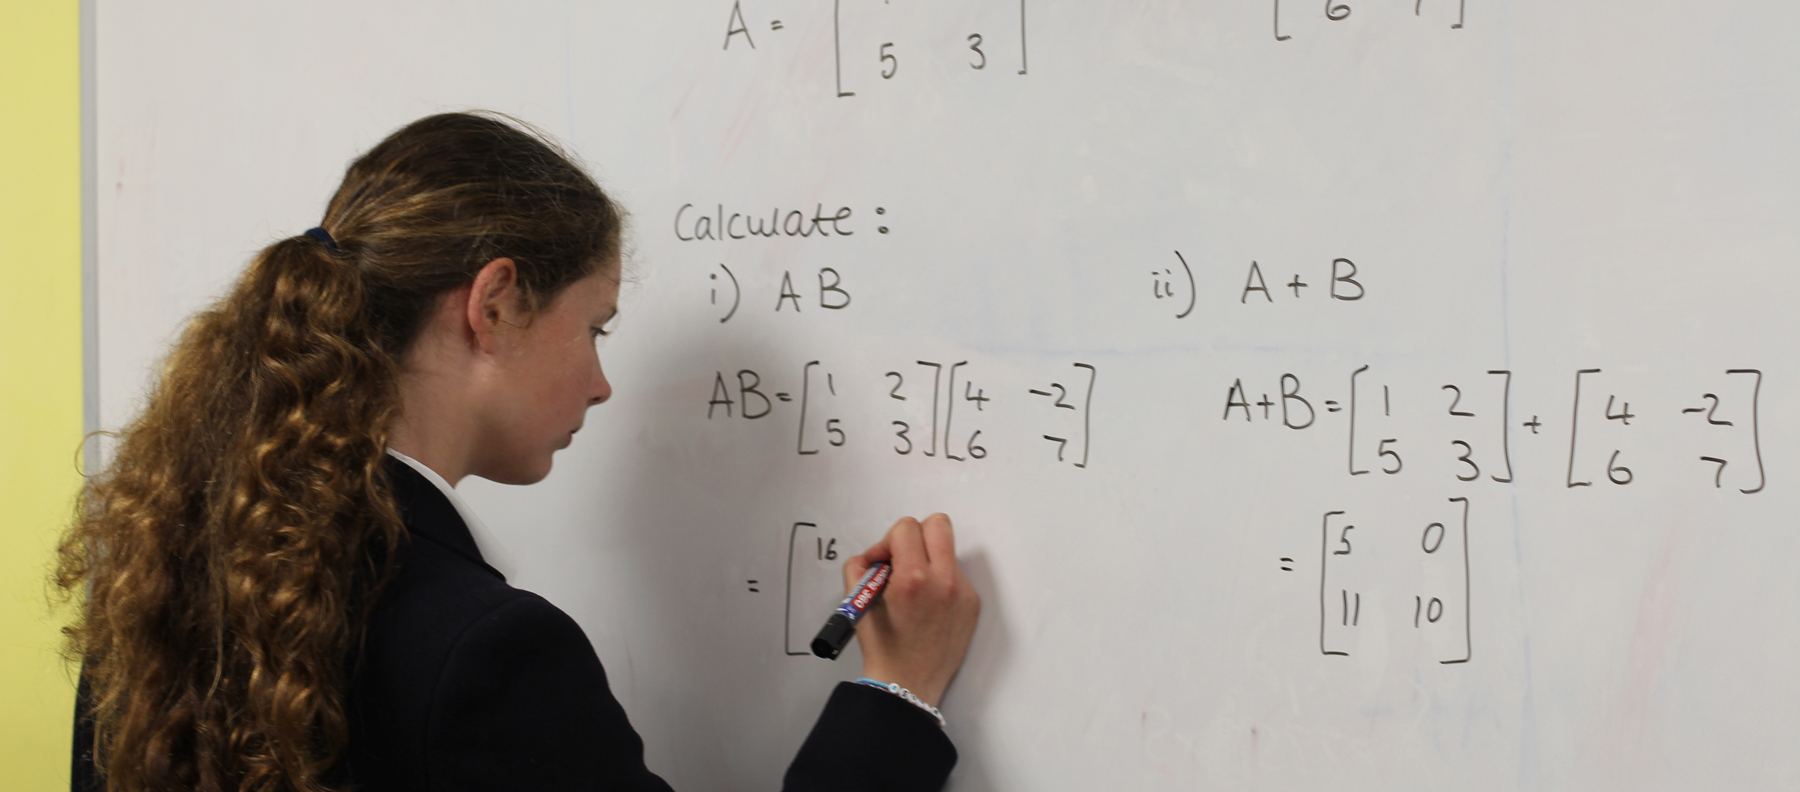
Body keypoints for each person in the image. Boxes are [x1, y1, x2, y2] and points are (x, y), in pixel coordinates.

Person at [58, 112, 982, 792]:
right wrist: (896, 698)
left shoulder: (168, 580)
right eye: (596, 329)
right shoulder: (486, 651)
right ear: (493, 304)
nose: (600, 382)